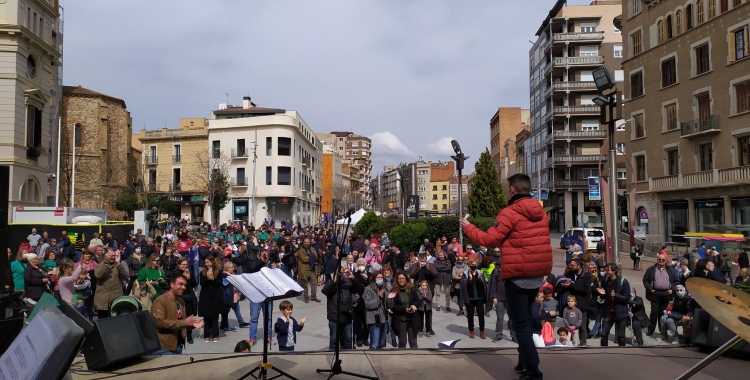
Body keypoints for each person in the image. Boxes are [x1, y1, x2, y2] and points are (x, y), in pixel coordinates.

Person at [462, 173, 552, 380]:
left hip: (517, 277)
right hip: (536, 276)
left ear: (512, 189)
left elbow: (489, 240)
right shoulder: (541, 212)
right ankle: (523, 363)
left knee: (519, 325)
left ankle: (534, 372)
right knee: (526, 321)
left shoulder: (509, 212)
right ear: (528, 189)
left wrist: (469, 228)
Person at [151, 274, 204, 354]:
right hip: (165, 347)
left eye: (185, 285)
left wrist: (192, 324)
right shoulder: (160, 301)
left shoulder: (181, 301)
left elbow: (181, 321)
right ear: (172, 284)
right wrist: (184, 322)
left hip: (178, 345)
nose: (183, 287)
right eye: (180, 284)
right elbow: (160, 322)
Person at [322, 263, 361, 350]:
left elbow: (358, 288)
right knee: (333, 339)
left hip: (346, 315)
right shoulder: (331, 283)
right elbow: (324, 291)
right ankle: (332, 354)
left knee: (348, 338)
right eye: (339, 272)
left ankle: (347, 357)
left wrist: (353, 278)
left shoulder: (348, 283)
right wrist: (334, 281)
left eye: (343, 272)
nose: (341, 274)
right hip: (334, 316)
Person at [642, 253, 678, 336]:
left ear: (666, 261)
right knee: (654, 313)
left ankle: (662, 331)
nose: (661, 261)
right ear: (657, 260)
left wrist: (672, 290)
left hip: (666, 293)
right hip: (655, 293)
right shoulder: (651, 269)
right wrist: (650, 289)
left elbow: (676, 281)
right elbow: (645, 280)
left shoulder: (671, 270)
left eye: (663, 260)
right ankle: (651, 330)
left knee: (663, 313)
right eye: (659, 259)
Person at [559, 257, 591, 346]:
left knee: (582, 326)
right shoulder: (569, 273)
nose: (570, 267)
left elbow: (585, 290)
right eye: (570, 265)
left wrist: (572, 285)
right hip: (570, 305)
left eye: (573, 265)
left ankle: (583, 344)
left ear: (579, 266)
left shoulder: (586, 275)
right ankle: (569, 343)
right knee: (568, 326)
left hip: (582, 305)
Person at [598, 264, 631, 346]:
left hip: (620, 312)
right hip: (608, 312)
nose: (606, 272)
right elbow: (605, 296)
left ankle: (622, 352)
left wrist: (616, 296)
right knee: (604, 334)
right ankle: (604, 351)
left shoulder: (623, 282)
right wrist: (602, 294)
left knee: (621, 336)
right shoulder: (605, 281)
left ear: (614, 271)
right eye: (605, 270)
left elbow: (627, 298)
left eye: (608, 270)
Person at [93, 248, 128, 319]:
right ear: (105, 255)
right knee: (103, 320)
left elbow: (125, 275)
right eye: (111, 255)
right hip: (103, 298)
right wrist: (106, 263)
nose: (113, 257)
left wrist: (118, 263)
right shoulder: (99, 265)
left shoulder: (117, 266)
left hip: (115, 296)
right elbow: (98, 275)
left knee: (116, 320)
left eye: (114, 256)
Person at [386, 272, 419, 348]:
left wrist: (414, 305)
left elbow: (418, 301)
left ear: (406, 279)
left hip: (412, 318)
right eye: (399, 279)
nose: (401, 280)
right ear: (396, 280)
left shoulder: (411, 289)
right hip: (400, 318)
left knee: (413, 342)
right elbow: (393, 306)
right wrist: (404, 309)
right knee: (402, 341)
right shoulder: (394, 290)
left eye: (403, 278)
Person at [199, 256, 225, 342]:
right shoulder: (202, 272)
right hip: (205, 296)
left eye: (208, 262)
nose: (206, 264)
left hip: (215, 296)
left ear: (212, 262)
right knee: (206, 316)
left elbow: (219, 284)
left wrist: (213, 279)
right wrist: (207, 278)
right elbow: (202, 284)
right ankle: (206, 335)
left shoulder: (219, 272)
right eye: (205, 263)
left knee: (214, 316)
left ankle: (215, 335)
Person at [460, 258, 487, 339]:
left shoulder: (480, 273)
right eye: (472, 265)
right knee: (470, 315)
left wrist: (479, 279)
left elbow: (483, 286)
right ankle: (471, 330)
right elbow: (463, 286)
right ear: (469, 265)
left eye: (475, 265)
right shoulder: (465, 274)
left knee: (481, 315)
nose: (474, 266)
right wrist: (470, 279)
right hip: (470, 297)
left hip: (479, 297)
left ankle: (482, 331)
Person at [363, 271, 388, 349]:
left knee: (381, 344)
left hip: (384, 319)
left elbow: (386, 304)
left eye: (381, 278)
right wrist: (379, 298)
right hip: (374, 319)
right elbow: (367, 304)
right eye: (378, 277)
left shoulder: (384, 288)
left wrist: (390, 299)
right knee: (374, 344)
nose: (380, 279)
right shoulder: (368, 289)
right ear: (374, 278)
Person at [176, 258, 198, 344]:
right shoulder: (176, 274)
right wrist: (184, 279)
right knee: (179, 316)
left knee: (189, 316)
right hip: (180, 297)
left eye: (186, 264)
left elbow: (194, 284)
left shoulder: (189, 273)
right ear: (179, 265)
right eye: (183, 264)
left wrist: (189, 279)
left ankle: (189, 335)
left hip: (189, 297)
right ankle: (180, 334)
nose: (185, 266)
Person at [297, 237, 321, 303]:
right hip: (304, 270)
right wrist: (311, 257)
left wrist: (309, 256)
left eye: (308, 242)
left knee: (314, 283)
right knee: (305, 285)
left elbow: (316, 256)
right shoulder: (301, 250)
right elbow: (304, 259)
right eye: (305, 242)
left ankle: (313, 297)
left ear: (309, 242)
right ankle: (306, 298)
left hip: (312, 269)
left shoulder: (312, 248)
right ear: (303, 242)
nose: (307, 243)